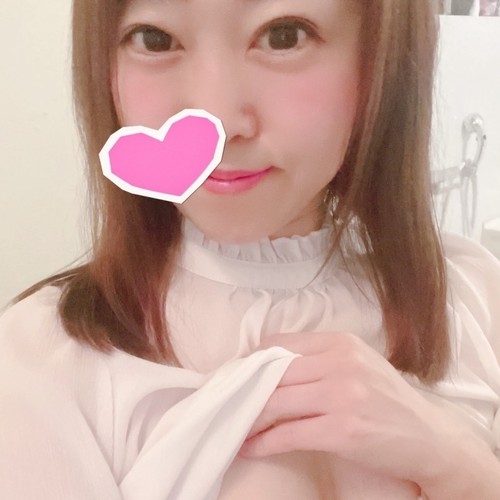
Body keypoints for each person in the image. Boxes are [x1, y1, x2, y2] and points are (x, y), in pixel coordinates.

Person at [1, 1, 499, 498]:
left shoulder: (473, 295)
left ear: (381, 55)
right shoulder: (39, 362)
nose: (217, 120)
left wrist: (457, 462)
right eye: (155, 40)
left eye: (284, 36)